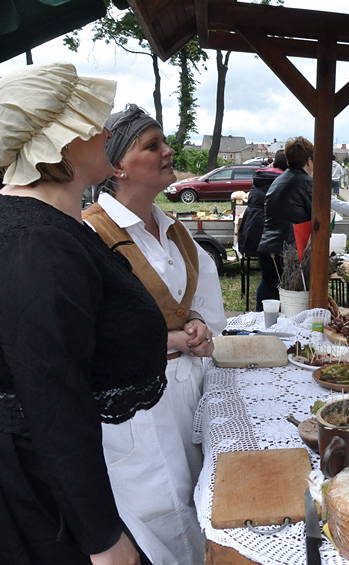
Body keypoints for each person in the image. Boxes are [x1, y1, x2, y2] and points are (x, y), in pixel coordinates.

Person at [0, 63, 167, 565]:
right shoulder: (39, 242)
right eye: (91, 123)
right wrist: (100, 537)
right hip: (42, 504)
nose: (104, 133)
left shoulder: (47, 227)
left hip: (54, 481)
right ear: (61, 142)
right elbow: (51, 394)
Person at [85, 103, 227, 565]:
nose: (168, 152)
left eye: (163, 142)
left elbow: (207, 304)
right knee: (157, 516)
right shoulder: (90, 235)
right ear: (118, 165)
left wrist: (202, 327)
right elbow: (85, 335)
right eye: (153, 145)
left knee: (195, 498)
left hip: (187, 394)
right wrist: (173, 341)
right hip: (135, 411)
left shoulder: (176, 231)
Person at [257, 137, 316, 296]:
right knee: (290, 301)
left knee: (269, 291)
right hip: (287, 251)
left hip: (267, 246)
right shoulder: (305, 182)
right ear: (309, 161)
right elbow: (318, 218)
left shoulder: (278, 180)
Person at [239, 150, 287, 310]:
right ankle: (264, 314)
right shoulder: (281, 181)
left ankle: (264, 313)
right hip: (269, 234)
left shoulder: (262, 177)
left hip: (255, 231)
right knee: (273, 279)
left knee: (269, 277)